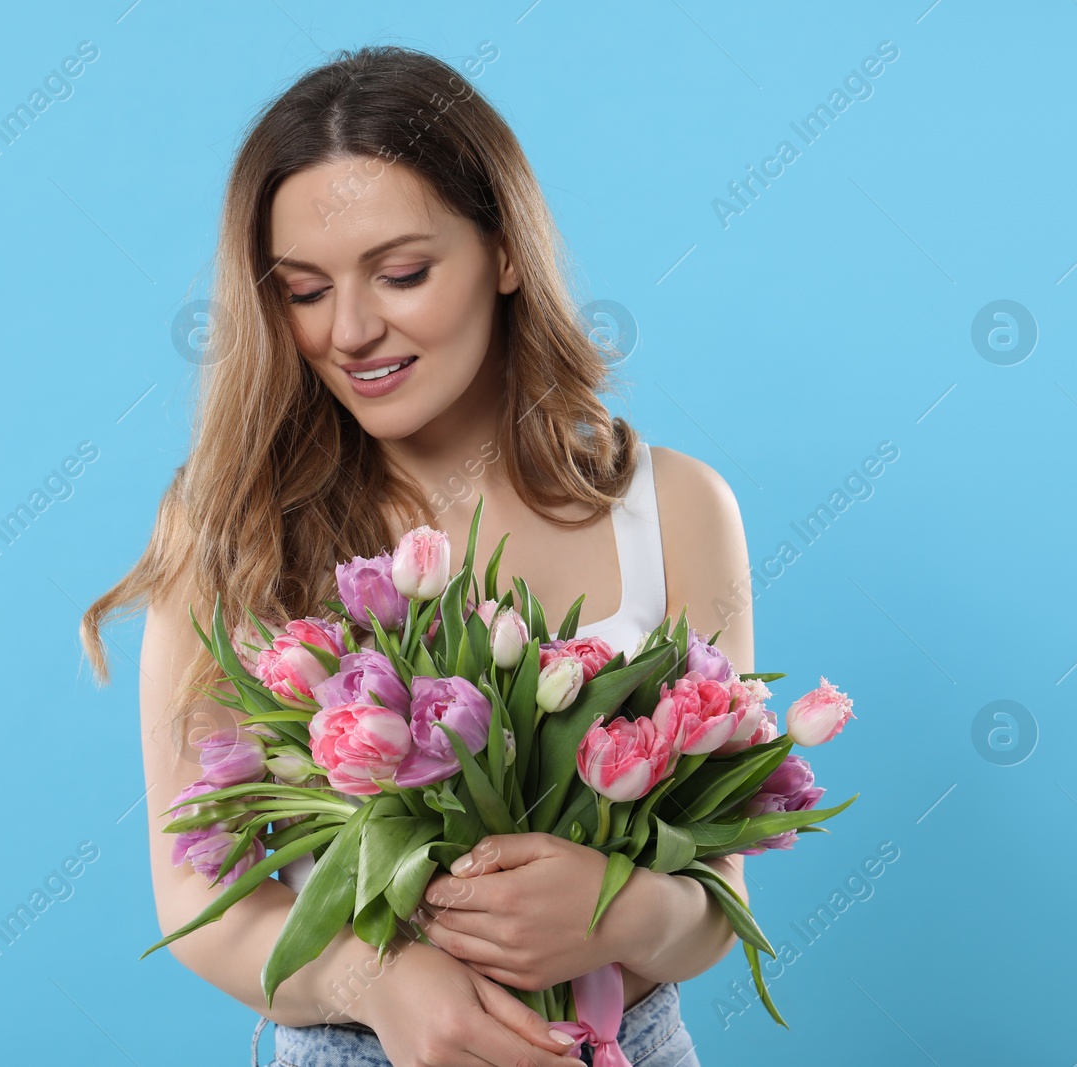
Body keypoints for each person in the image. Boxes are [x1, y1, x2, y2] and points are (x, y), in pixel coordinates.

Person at [80, 44, 753, 1067]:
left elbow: (718, 903)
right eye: (304, 290)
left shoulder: (675, 508)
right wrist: (377, 982)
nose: (349, 330)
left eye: (401, 273)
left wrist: (619, 912)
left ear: (506, 251)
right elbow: (199, 893)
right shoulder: (234, 525)